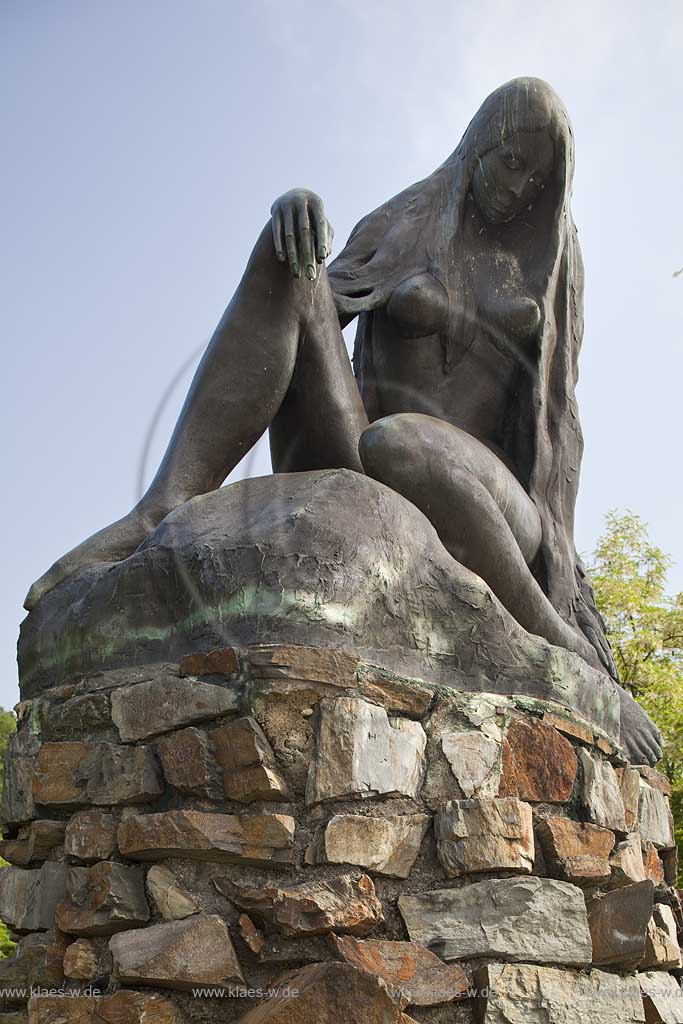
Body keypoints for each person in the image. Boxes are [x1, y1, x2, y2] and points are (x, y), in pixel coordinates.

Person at [24, 77, 661, 764]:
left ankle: (547, 644)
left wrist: (557, 570)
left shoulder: (549, 260)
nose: (517, 184)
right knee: (286, 255)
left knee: (402, 440)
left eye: (536, 176)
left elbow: (556, 419)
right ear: (480, 141)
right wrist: (293, 210)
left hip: (491, 493)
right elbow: (313, 308)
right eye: (509, 159)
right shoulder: (402, 223)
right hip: (372, 456)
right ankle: (161, 506)